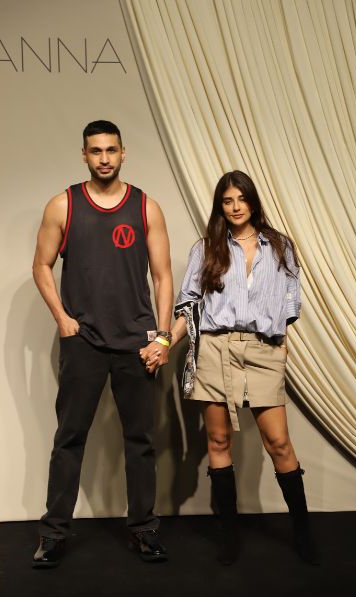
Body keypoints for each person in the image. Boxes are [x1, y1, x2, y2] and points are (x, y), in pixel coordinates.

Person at [142, 170, 320, 565]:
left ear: (253, 202)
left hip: (263, 350)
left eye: (241, 199)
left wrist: (281, 346)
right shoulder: (206, 248)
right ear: (220, 206)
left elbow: (290, 302)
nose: (236, 207)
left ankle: (304, 534)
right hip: (215, 348)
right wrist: (165, 341)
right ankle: (229, 538)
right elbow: (189, 304)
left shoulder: (280, 247)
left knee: (279, 443)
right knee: (219, 441)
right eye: (227, 201)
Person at [31, 120, 173, 568]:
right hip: (85, 340)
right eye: (96, 151)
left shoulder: (146, 207)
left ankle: (143, 530)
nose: (105, 158)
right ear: (84, 155)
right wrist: (62, 319)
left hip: (137, 343)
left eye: (111, 150)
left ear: (123, 153)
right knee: (69, 439)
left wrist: (164, 336)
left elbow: (163, 276)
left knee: (140, 441)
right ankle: (53, 534)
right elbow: (41, 265)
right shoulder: (63, 205)